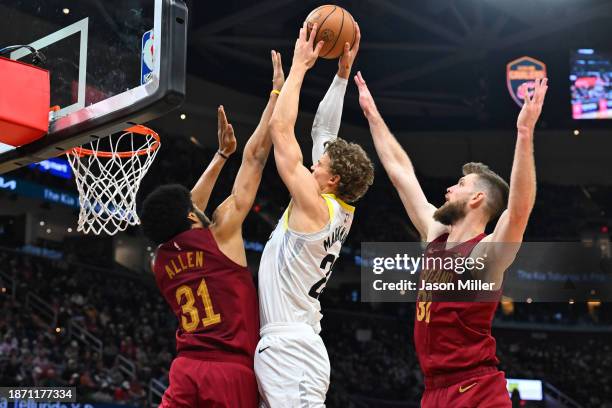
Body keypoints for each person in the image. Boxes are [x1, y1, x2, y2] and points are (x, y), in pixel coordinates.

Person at [355, 71, 548, 407]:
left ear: (476, 200)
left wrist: (524, 133)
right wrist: (372, 114)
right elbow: (401, 173)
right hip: (433, 391)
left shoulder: (484, 255)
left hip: (476, 390)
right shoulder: (435, 234)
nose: (448, 189)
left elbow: (518, 212)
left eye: (459, 185)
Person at [139, 51, 285, 408]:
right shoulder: (220, 234)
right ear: (191, 217)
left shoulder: (159, 263)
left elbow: (187, 210)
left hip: (185, 371)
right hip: (229, 373)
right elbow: (255, 158)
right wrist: (276, 96)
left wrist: (220, 156)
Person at [255, 22, 374, 407]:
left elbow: (280, 129)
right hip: (293, 345)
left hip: (291, 349)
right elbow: (323, 127)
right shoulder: (334, 205)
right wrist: (340, 76)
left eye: (318, 164)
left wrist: (299, 67)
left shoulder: (314, 205)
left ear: (332, 178)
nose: (312, 166)